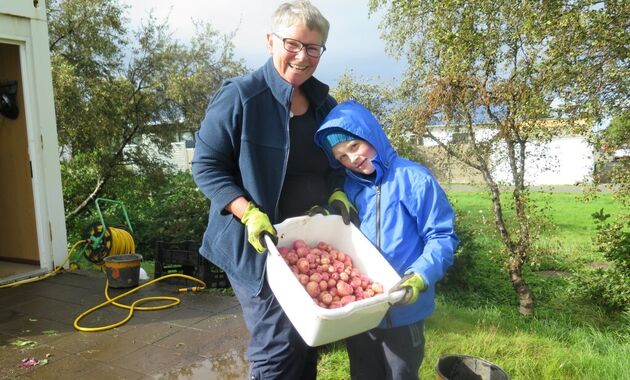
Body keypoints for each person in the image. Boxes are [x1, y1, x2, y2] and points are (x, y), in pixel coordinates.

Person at [191, 1, 357, 379]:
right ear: (270, 41)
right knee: (277, 343)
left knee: (308, 336)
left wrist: (337, 192)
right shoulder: (241, 97)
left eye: (313, 48)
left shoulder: (323, 106)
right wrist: (246, 211)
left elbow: (340, 162)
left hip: (305, 248)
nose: (303, 56)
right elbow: (206, 166)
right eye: (293, 44)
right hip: (257, 247)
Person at [314, 100, 460, 380]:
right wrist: (328, 210)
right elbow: (342, 235)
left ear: (372, 135)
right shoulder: (350, 187)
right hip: (360, 309)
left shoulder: (413, 179)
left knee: (400, 373)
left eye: (355, 146)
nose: (352, 159)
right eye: (342, 157)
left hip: (404, 309)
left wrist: (420, 275)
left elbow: (441, 236)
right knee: (364, 373)